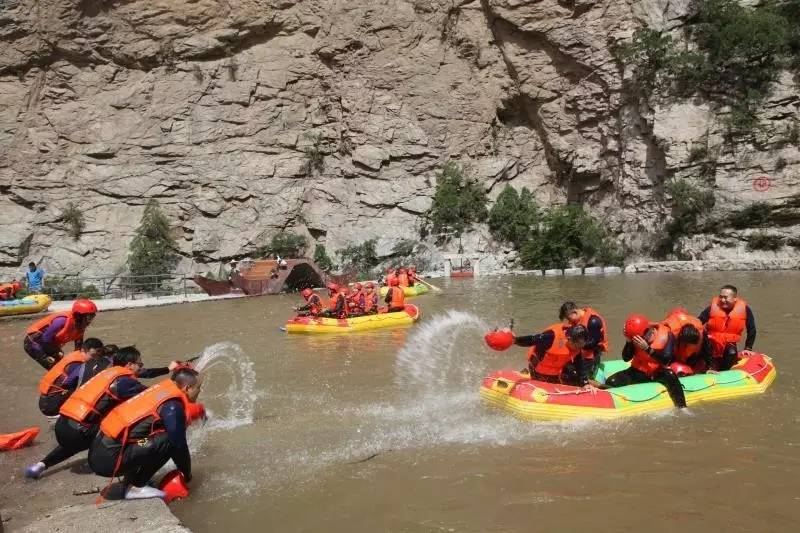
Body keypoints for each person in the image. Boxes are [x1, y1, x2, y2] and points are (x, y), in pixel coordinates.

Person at [25, 347, 179, 479]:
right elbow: (152, 398)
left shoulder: (107, 372)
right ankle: (130, 473)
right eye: (140, 364)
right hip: (79, 432)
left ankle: (41, 465)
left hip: (62, 424)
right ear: (130, 365)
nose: (141, 366)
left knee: (74, 443)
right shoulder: (124, 382)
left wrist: (167, 369)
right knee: (119, 427)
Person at [88, 368, 203, 500]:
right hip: (109, 460)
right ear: (187, 388)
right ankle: (137, 486)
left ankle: (130, 482)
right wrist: (187, 475)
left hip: (101, 451)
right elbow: (178, 444)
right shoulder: (172, 406)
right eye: (198, 387)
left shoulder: (160, 391)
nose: (200, 391)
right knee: (168, 440)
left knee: (152, 438)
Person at [606, 314, 686, 408]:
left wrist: (647, 349)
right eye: (634, 338)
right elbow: (626, 358)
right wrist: (628, 341)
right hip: (637, 371)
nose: (637, 340)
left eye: (637, 338)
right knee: (611, 381)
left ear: (648, 331)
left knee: (671, 375)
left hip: (657, 372)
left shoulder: (667, 335)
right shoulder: (635, 336)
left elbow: (666, 360)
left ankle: (682, 407)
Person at [37, 338, 104, 417]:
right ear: (84, 350)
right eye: (93, 355)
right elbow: (74, 384)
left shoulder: (74, 355)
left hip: (45, 399)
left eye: (98, 355)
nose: (95, 358)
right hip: (51, 403)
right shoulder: (78, 364)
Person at [24, 299, 97, 370]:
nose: (90, 321)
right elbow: (45, 339)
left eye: (92, 317)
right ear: (79, 316)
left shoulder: (80, 326)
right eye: (88, 317)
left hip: (48, 343)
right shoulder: (61, 321)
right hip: (34, 342)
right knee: (55, 366)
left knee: (63, 364)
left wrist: (79, 359)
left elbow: (78, 346)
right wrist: (56, 354)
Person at [698, 284, 756, 371]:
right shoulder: (711, 308)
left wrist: (748, 348)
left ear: (734, 299)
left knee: (731, 352)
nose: (722, 300)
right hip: (711, 343)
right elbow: (698, 323)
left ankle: (723, 373)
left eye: (725, 297)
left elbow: (751, 329)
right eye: (720, 297)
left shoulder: (745, 310)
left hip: (728, 345)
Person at [512, 324, 589, 385]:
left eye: (581, 345)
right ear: (569, 339)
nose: (578, 348)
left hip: (555, 373)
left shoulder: (578, 347)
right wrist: (515, 341)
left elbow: (580, 365)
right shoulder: (551, 337)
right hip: (537, 370)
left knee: (574, 376)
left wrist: (585, 382)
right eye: (577, 345)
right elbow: (532, 339)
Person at [558, 302, 608, 379]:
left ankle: (602, 387)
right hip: (578, 353)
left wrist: (572, 344)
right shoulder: (575, 320)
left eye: (568, 318)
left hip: (591, 355)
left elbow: (593, 344)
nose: (569, 321)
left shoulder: (593, 321)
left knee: (582, 378)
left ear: (575, 312)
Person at [662, 308, 712, 374]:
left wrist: (709, 367)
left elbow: (707, 349)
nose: (688, 345)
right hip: (674, 355)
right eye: (686, 344)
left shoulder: (701, 332)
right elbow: (666, 355)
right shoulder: (669, 333)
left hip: (690, 358)